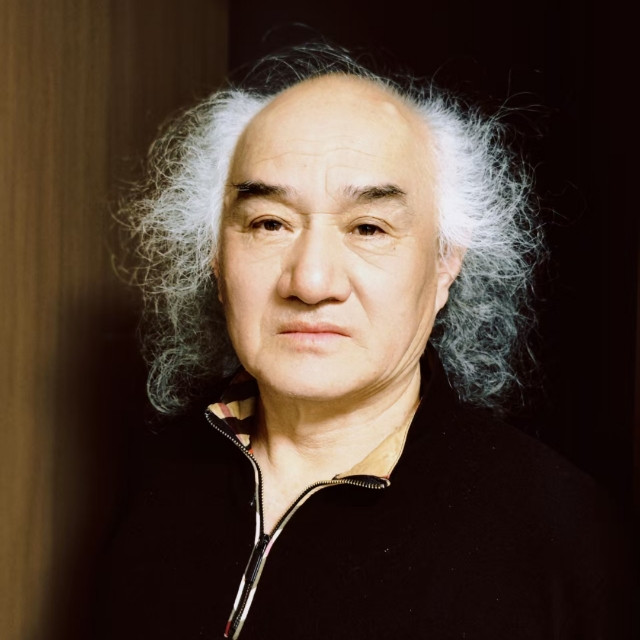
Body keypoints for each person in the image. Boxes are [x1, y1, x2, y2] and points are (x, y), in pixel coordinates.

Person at [94, 43, 633, 639]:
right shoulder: (158, 482)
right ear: (216, 259)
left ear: (444, 265)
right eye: (269, 223)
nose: (311, 282)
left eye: (368, 228)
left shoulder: (554, 531)